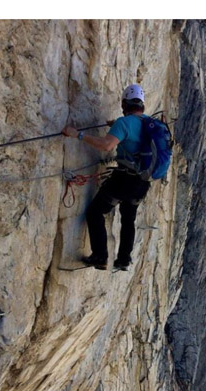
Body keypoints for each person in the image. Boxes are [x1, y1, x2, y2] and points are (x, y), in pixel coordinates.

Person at [61, 83, 152, 271]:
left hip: (123, 180)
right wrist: (117, 127)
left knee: (95, 212)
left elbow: (106, 146)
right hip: (142, 182)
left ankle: (100, 256)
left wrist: (77, 135)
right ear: (142, 105)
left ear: (125, 104)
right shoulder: (149, 124)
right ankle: (124, 259)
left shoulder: (124, 123)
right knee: (128, 219)